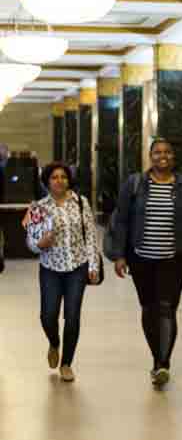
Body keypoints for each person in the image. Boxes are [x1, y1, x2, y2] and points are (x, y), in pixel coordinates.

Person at [109, 137, 182, 389]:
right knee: (148, 308)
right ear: (150, 156)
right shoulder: (134, 184)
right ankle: (157, 358)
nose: (162, 156)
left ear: (173, 157)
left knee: (166, 308)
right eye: (157, 152)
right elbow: (121, 220)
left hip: (173, 259)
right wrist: (119, 255)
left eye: (167, 152)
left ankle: (163, 363)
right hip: (140, 258)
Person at [25, 162, 99, 383]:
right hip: (50, 268)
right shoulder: (38, 207)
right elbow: (30, 241)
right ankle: (54, 343)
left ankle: (67, 363)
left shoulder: (81, 203)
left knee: (73, 316)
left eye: (63, 177)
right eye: (54, 177)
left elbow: (91, 237)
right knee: (48, 316)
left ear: (69, 180)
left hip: (77, 266)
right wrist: (41, 244)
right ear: (47, 181)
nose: (59, 181)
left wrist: (93, 266)